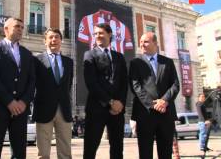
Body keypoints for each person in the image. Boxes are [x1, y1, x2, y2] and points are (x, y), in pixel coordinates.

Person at [0, 17, 35, 159]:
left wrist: (23, 102)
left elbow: (32, 81)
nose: (20, 29)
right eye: (17, 26)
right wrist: (9, 101)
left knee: (19, 152)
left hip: (21, 110)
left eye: (21, 27)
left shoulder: (27, 53)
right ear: (6, 29)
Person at [129, 32, 180, 159]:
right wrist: (152, 104)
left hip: (166, 113)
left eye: (145, 41)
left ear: (155, 43)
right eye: (141, 42)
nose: (142, 44)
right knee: (145, 153)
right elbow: (136, 86)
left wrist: (164, 101)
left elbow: (175, 84)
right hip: (145, 114)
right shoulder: (135, 63)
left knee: (165, 153)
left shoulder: (167, 62)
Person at [83, 23, 128, 159]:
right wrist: (110, 102)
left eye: (101, 33)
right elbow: (92, 83)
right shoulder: (89, 55)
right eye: (95, 34)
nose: (98, 36)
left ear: (109, 34)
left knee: (117, 148)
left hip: (117, 111)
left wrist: (120, 103)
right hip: (97, 108)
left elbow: (124, 82)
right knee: (91, 148)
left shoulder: (119, 57)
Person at [33, 28, 74, 159]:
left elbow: (68, 85)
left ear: (61, 40)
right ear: (45, 41)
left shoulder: (69, 62)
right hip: (43, 109)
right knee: (43, 153)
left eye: (56, 37)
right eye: (50, 37)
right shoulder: (37, 60)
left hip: (64, 110)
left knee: (65, 152)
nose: (54, 40)